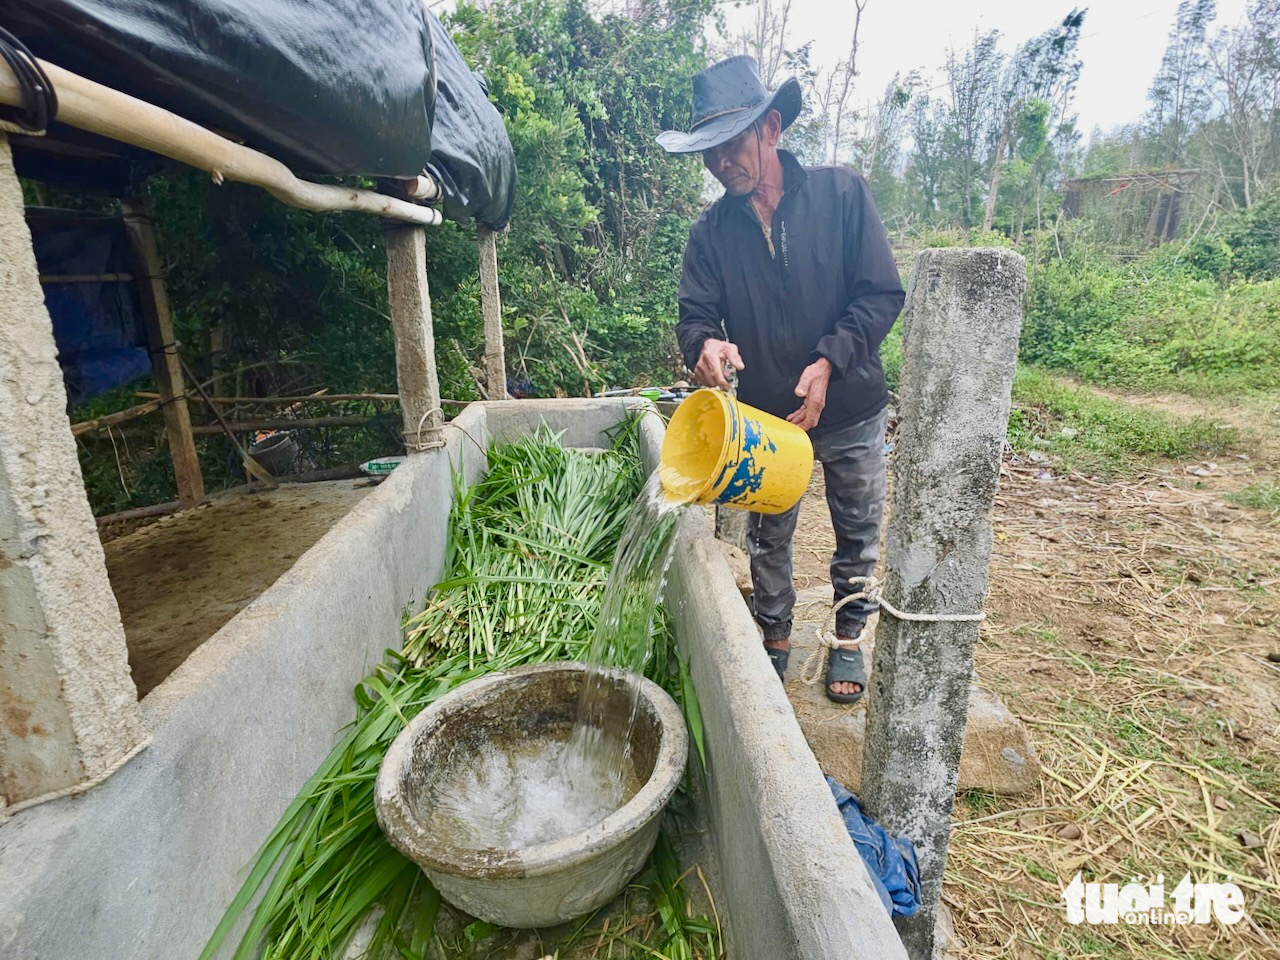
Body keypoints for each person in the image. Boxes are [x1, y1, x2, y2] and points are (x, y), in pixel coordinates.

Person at [657, 55, 904, 703]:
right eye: (707, 154)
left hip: (850, 404)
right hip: (765, 417)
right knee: (770, 536)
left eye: (730, 145)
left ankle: (849, 638)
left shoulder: (841, 195)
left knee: (856, 530)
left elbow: (880, 294)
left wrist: (829, 361)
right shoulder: (709, 235)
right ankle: (774, 637)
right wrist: (705, 345)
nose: (719, 165)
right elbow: (694, 317)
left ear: (770, 129)